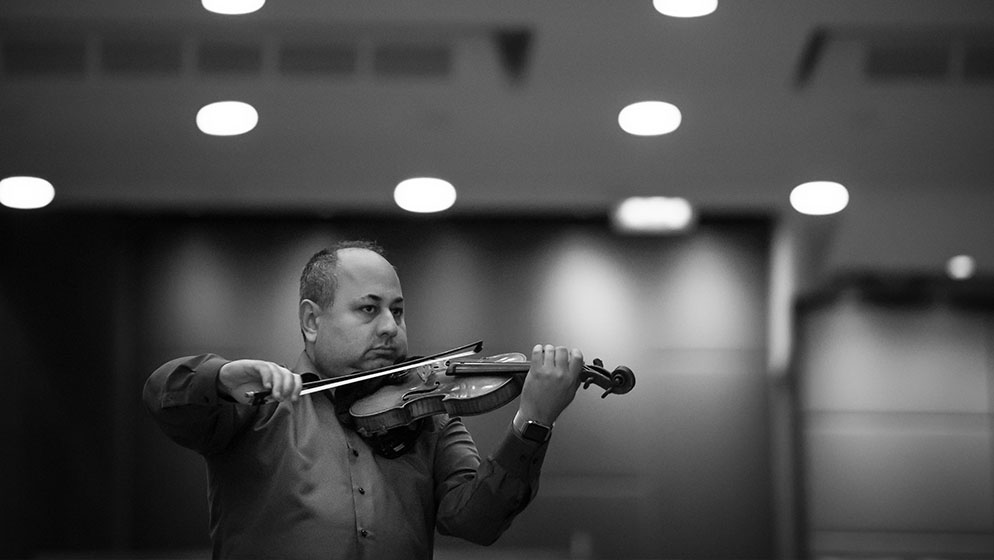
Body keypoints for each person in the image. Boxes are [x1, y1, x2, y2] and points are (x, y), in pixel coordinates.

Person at [143, 240, 584, 559]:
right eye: (369, 309)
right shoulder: (255, 405)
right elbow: (166, 398)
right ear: (312, 321)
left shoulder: (427, 415)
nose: (391, 327)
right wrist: (218, 377)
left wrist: (534, 420)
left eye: (398, 310)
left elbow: (475, 520)